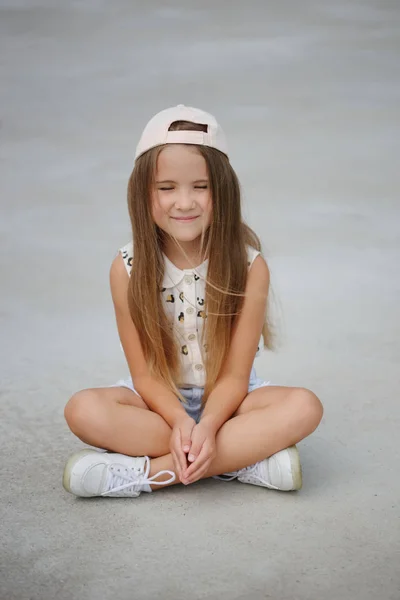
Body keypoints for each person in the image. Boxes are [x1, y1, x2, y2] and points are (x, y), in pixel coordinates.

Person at [63, 105, 323, 498]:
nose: (184, 202)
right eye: (166, 187)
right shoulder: (127, 268)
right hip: (158, 407)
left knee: (305, 407)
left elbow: (236, 377)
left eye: (200, 187)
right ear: (142, 193)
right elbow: (144, 375)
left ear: (223, 190)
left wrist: (210, 424)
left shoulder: (249, 266)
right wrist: (180, 421)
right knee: (82, 410)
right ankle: (244, 460)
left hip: (232, 404)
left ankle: (145, 475)